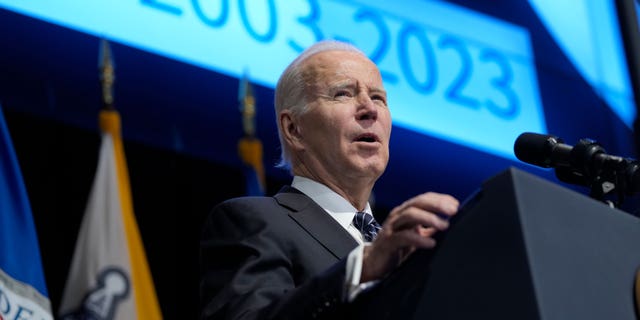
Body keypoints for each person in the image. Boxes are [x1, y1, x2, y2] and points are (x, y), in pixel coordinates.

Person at [199, 40, 459, 319]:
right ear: (294, 129)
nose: (369, 109)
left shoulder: (404, 248)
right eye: (343, 94)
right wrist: (363, 268)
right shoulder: (254, 221)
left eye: (378, 98)